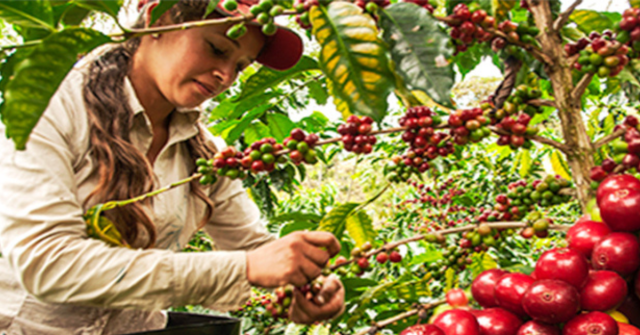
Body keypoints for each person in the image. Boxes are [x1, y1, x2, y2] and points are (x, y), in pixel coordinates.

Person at [0, 1, 344, 334]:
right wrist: (247, 268)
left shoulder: (204, 154)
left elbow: (252, 247)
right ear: (158, 19)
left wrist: (303, 282)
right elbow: (48, 265)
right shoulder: (52, 112)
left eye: (241, 66)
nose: (226, 76)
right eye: (217, 49)